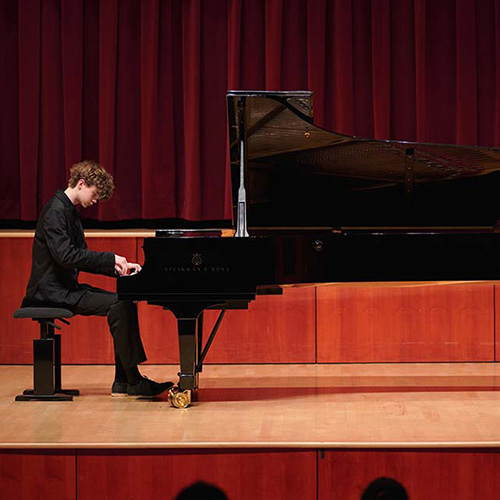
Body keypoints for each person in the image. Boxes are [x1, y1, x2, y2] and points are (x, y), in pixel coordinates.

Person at [21, 160, 172, 398]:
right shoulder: (55, 212)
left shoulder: (69, 211)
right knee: (119, 305)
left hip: (65, 288)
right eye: (94, 194)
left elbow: (81, 256)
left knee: (123, 302)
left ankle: (123, 382)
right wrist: (110, 259)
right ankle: (133, 381)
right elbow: (66, 256)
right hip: (49, 291)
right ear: (81, 184)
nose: (95, 201)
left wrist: (117, 268)